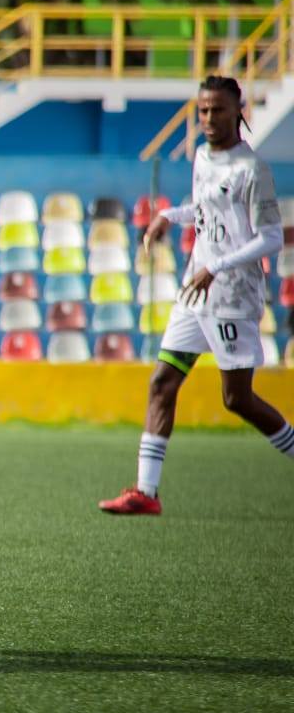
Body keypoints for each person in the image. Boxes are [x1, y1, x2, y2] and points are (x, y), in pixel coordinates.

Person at [100, 75, 290, 516]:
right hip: (195, 291)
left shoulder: (253, 171)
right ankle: (146, 493)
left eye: (217, 110)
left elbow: (270, 238)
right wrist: (169, 215)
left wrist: (217, 266)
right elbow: (206, 210)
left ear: (238, 112)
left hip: (232, 297)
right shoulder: (202, 156)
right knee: (162, 382)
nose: (208, 118)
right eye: (203, 110)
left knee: (237, 399)